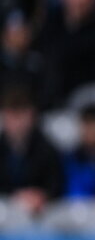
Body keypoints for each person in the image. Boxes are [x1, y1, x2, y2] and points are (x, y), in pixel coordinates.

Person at [0, 86, 63, 215]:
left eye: (21, 115)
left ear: (31, 116)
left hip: (41, 211)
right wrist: (15, 195)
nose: (17, 123)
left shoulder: (47, 149)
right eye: (13, 116)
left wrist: (44, 195)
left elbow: (56, 183)